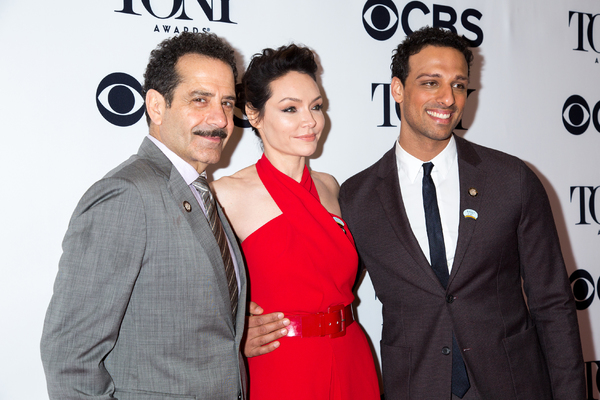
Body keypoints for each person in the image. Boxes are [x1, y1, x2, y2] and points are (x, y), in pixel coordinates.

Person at [338, 27, 585, 399]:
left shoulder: (511, 180)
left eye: (457, 85)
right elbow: (330, 287)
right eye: (430, 82)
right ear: (397, 89)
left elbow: (553, 302)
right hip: (416, 385)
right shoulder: (358, 197)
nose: (447, 98)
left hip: (513, 385)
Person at [41, 32, 247, 400]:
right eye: (200, 99)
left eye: (226, 102)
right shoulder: (126, 195)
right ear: (155, 106)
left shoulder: (198, 191)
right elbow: (69, 357)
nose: (219, 118)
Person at [212, 44, 380, 400]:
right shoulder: (226, 195)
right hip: (281, 366)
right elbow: (195, 300)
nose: (311, 121)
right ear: (254, 115)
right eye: (290, 109)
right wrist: (233, 335)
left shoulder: (332, 187)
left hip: (351, 355)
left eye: (316, 107)